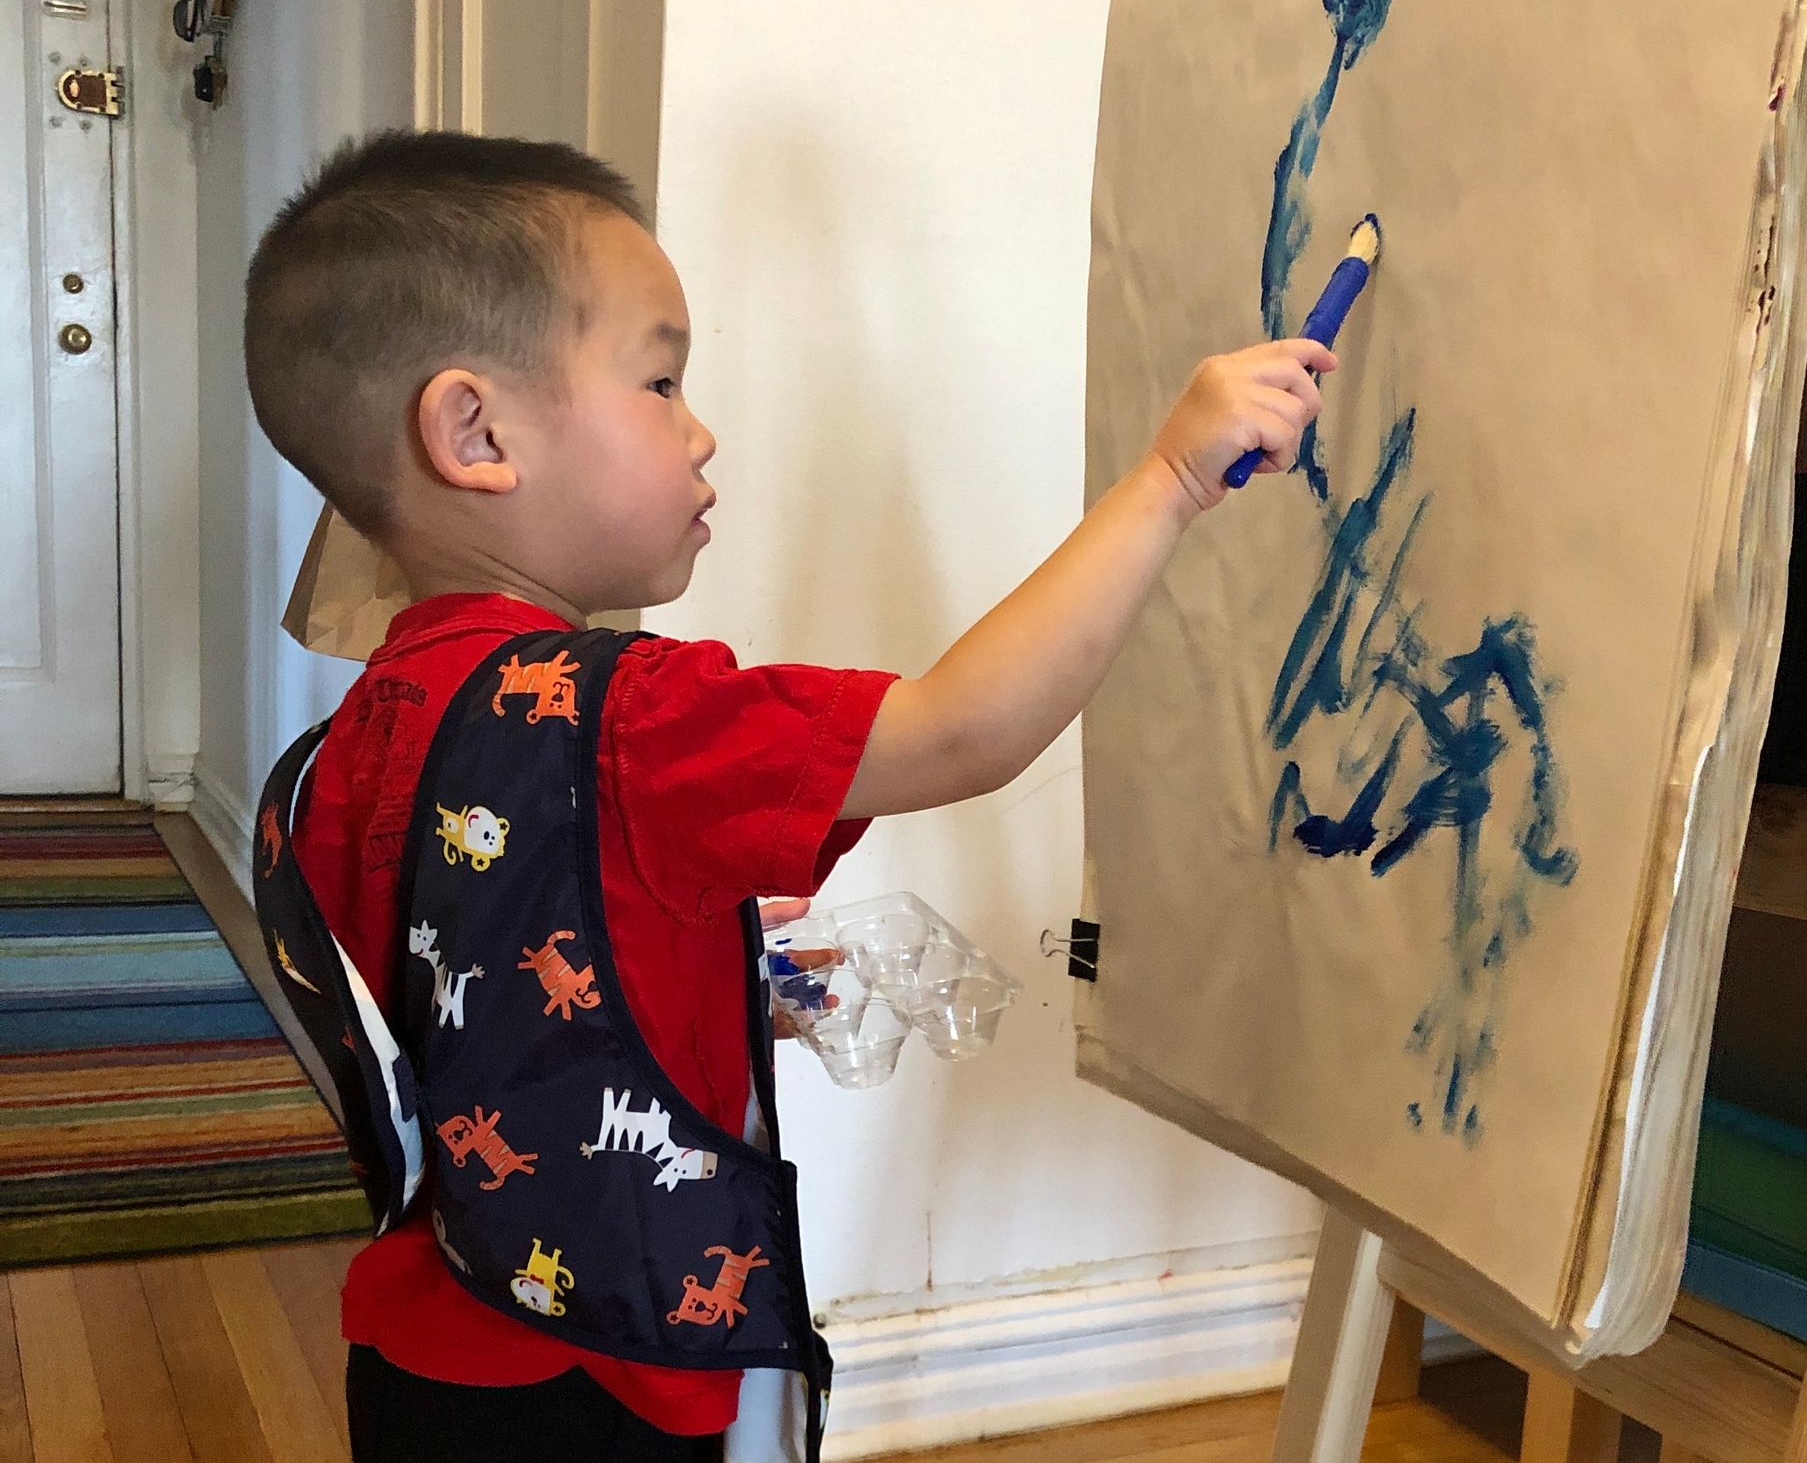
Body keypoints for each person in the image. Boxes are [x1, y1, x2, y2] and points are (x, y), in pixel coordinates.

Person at [245, 129, 1333, 1463]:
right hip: (605, 1379)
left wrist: (709, 968)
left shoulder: (348, 739)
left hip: (428, 1345)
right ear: (476, 431)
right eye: (659, 380)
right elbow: (964, 730)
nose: (700, 429)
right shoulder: (626, 715)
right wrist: (1167, 481)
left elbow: (485, 976)